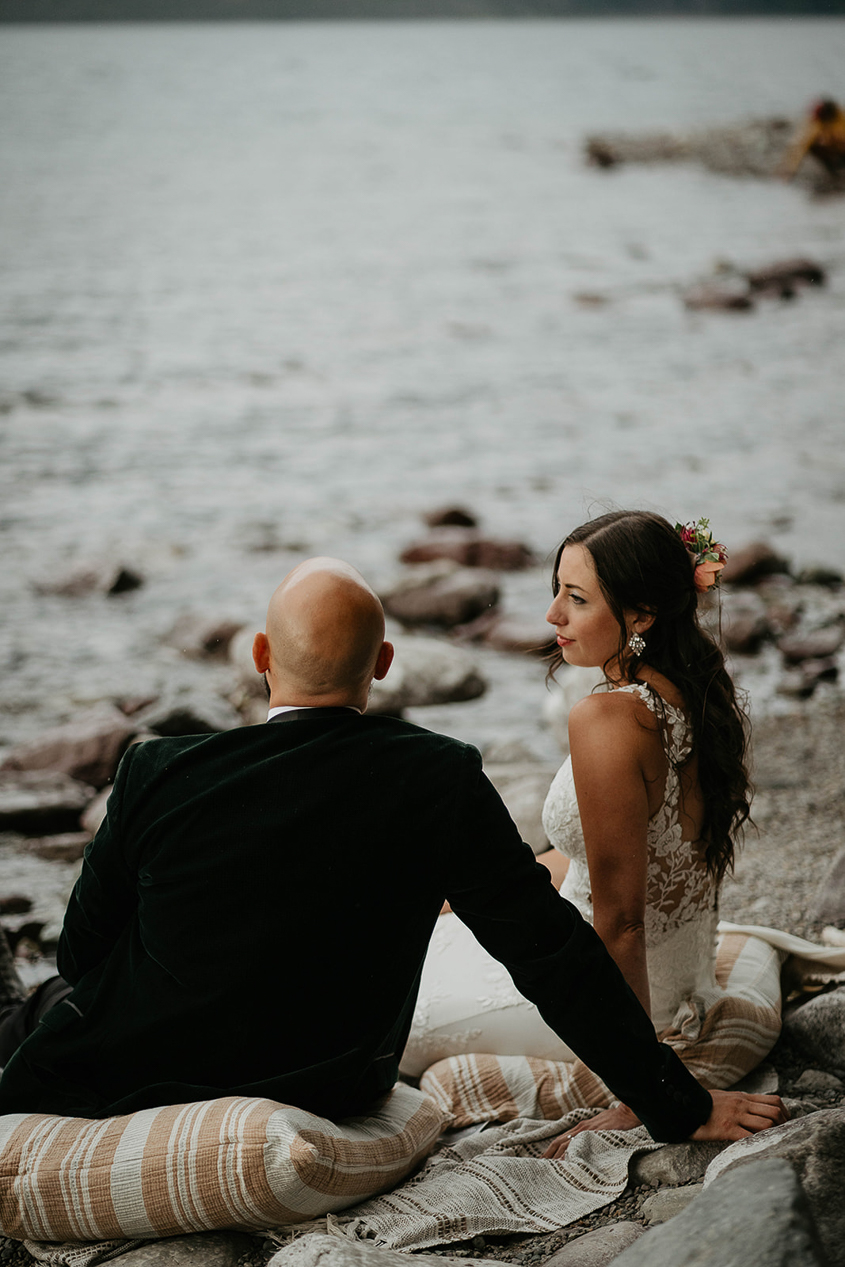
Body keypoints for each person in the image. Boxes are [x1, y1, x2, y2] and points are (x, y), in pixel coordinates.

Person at [0, 556, 784, 1149]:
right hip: (328, 1080)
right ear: (381, 666)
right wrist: (675, 1103)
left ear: (261, 654)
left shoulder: (156, 770)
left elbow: (80, 950)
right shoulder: (436, 773)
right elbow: (548, 950)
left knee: (34, 1008)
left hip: (133, 1069)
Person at [410, 513, 842, 1154]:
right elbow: (615, 858)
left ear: (641, 616)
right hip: (679, 976)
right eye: (557, 589)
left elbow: (622, 922)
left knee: (386, 1002)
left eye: (577, 599)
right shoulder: (694, 694)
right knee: (429, 926)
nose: (553, 614)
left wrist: (646, 1090)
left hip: (608, 1003)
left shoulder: (609, 720)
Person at [779, 98, 845, 181]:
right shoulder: (814, 126)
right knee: (815, 145)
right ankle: (835, 173)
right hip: (834, 153)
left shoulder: (841, 119)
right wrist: (788, 172)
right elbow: (799, 148)